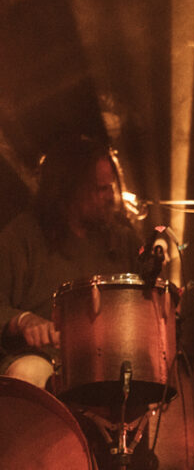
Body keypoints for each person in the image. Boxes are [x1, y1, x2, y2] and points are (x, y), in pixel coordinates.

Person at [0, 135, 142, 388]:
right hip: (46, 363)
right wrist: (23, 320)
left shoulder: (124, 241)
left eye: (111, 187)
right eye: (100, 189)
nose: (111, 197)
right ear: (68, 190)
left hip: (116, 364)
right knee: (28, 373)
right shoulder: (22, 237)